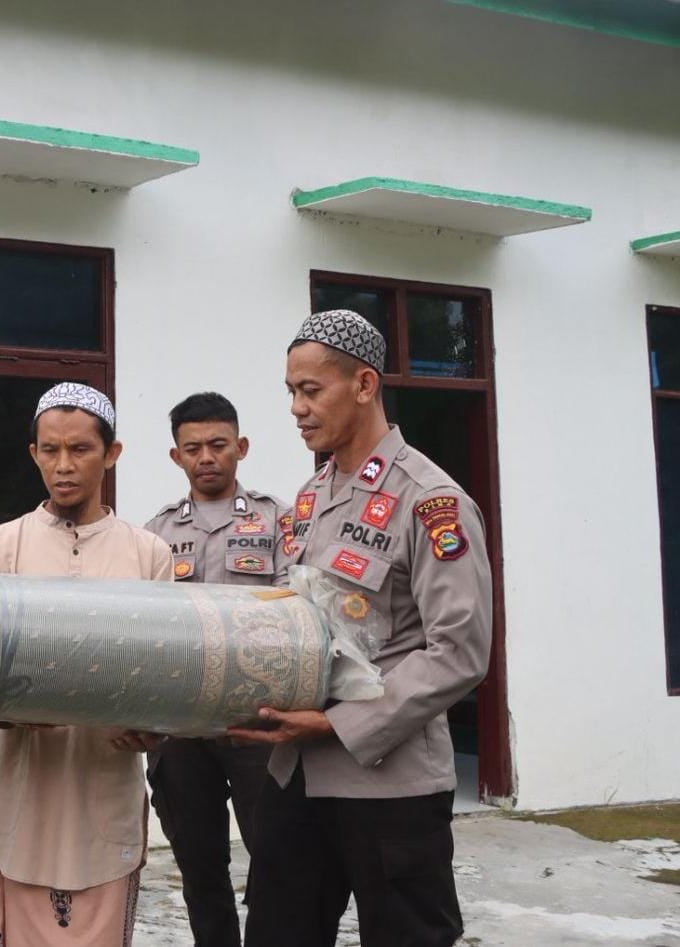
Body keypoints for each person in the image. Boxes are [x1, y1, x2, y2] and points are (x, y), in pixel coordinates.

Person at [230, 310, 493, 947]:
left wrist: (338, 724)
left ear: (365, 385)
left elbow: (459, 651)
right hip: (296, 775)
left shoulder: (430, 500)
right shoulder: (312, 495)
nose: (296, 408)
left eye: (310, 390)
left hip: (390, 784)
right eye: (291, 391)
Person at [0, 382, 173, 947]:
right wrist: (9, 708)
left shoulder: (148, 554)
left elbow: (165, 674)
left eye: (80, 449)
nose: (63, 465)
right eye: (51, 450)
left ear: (111, 453)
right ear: (33, 453)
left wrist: (155, 727)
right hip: (24, 791)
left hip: (106, 789)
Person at [141, 392, 279, 947]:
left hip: (257, 723)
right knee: (200, 871)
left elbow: (298, 614)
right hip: (180, 728)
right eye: (193, 447)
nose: (206, 457)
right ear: (176, 456)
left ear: (241, 447)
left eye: (218, 445)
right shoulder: (154, 533)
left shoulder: (278, 521)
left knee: (276, 861)